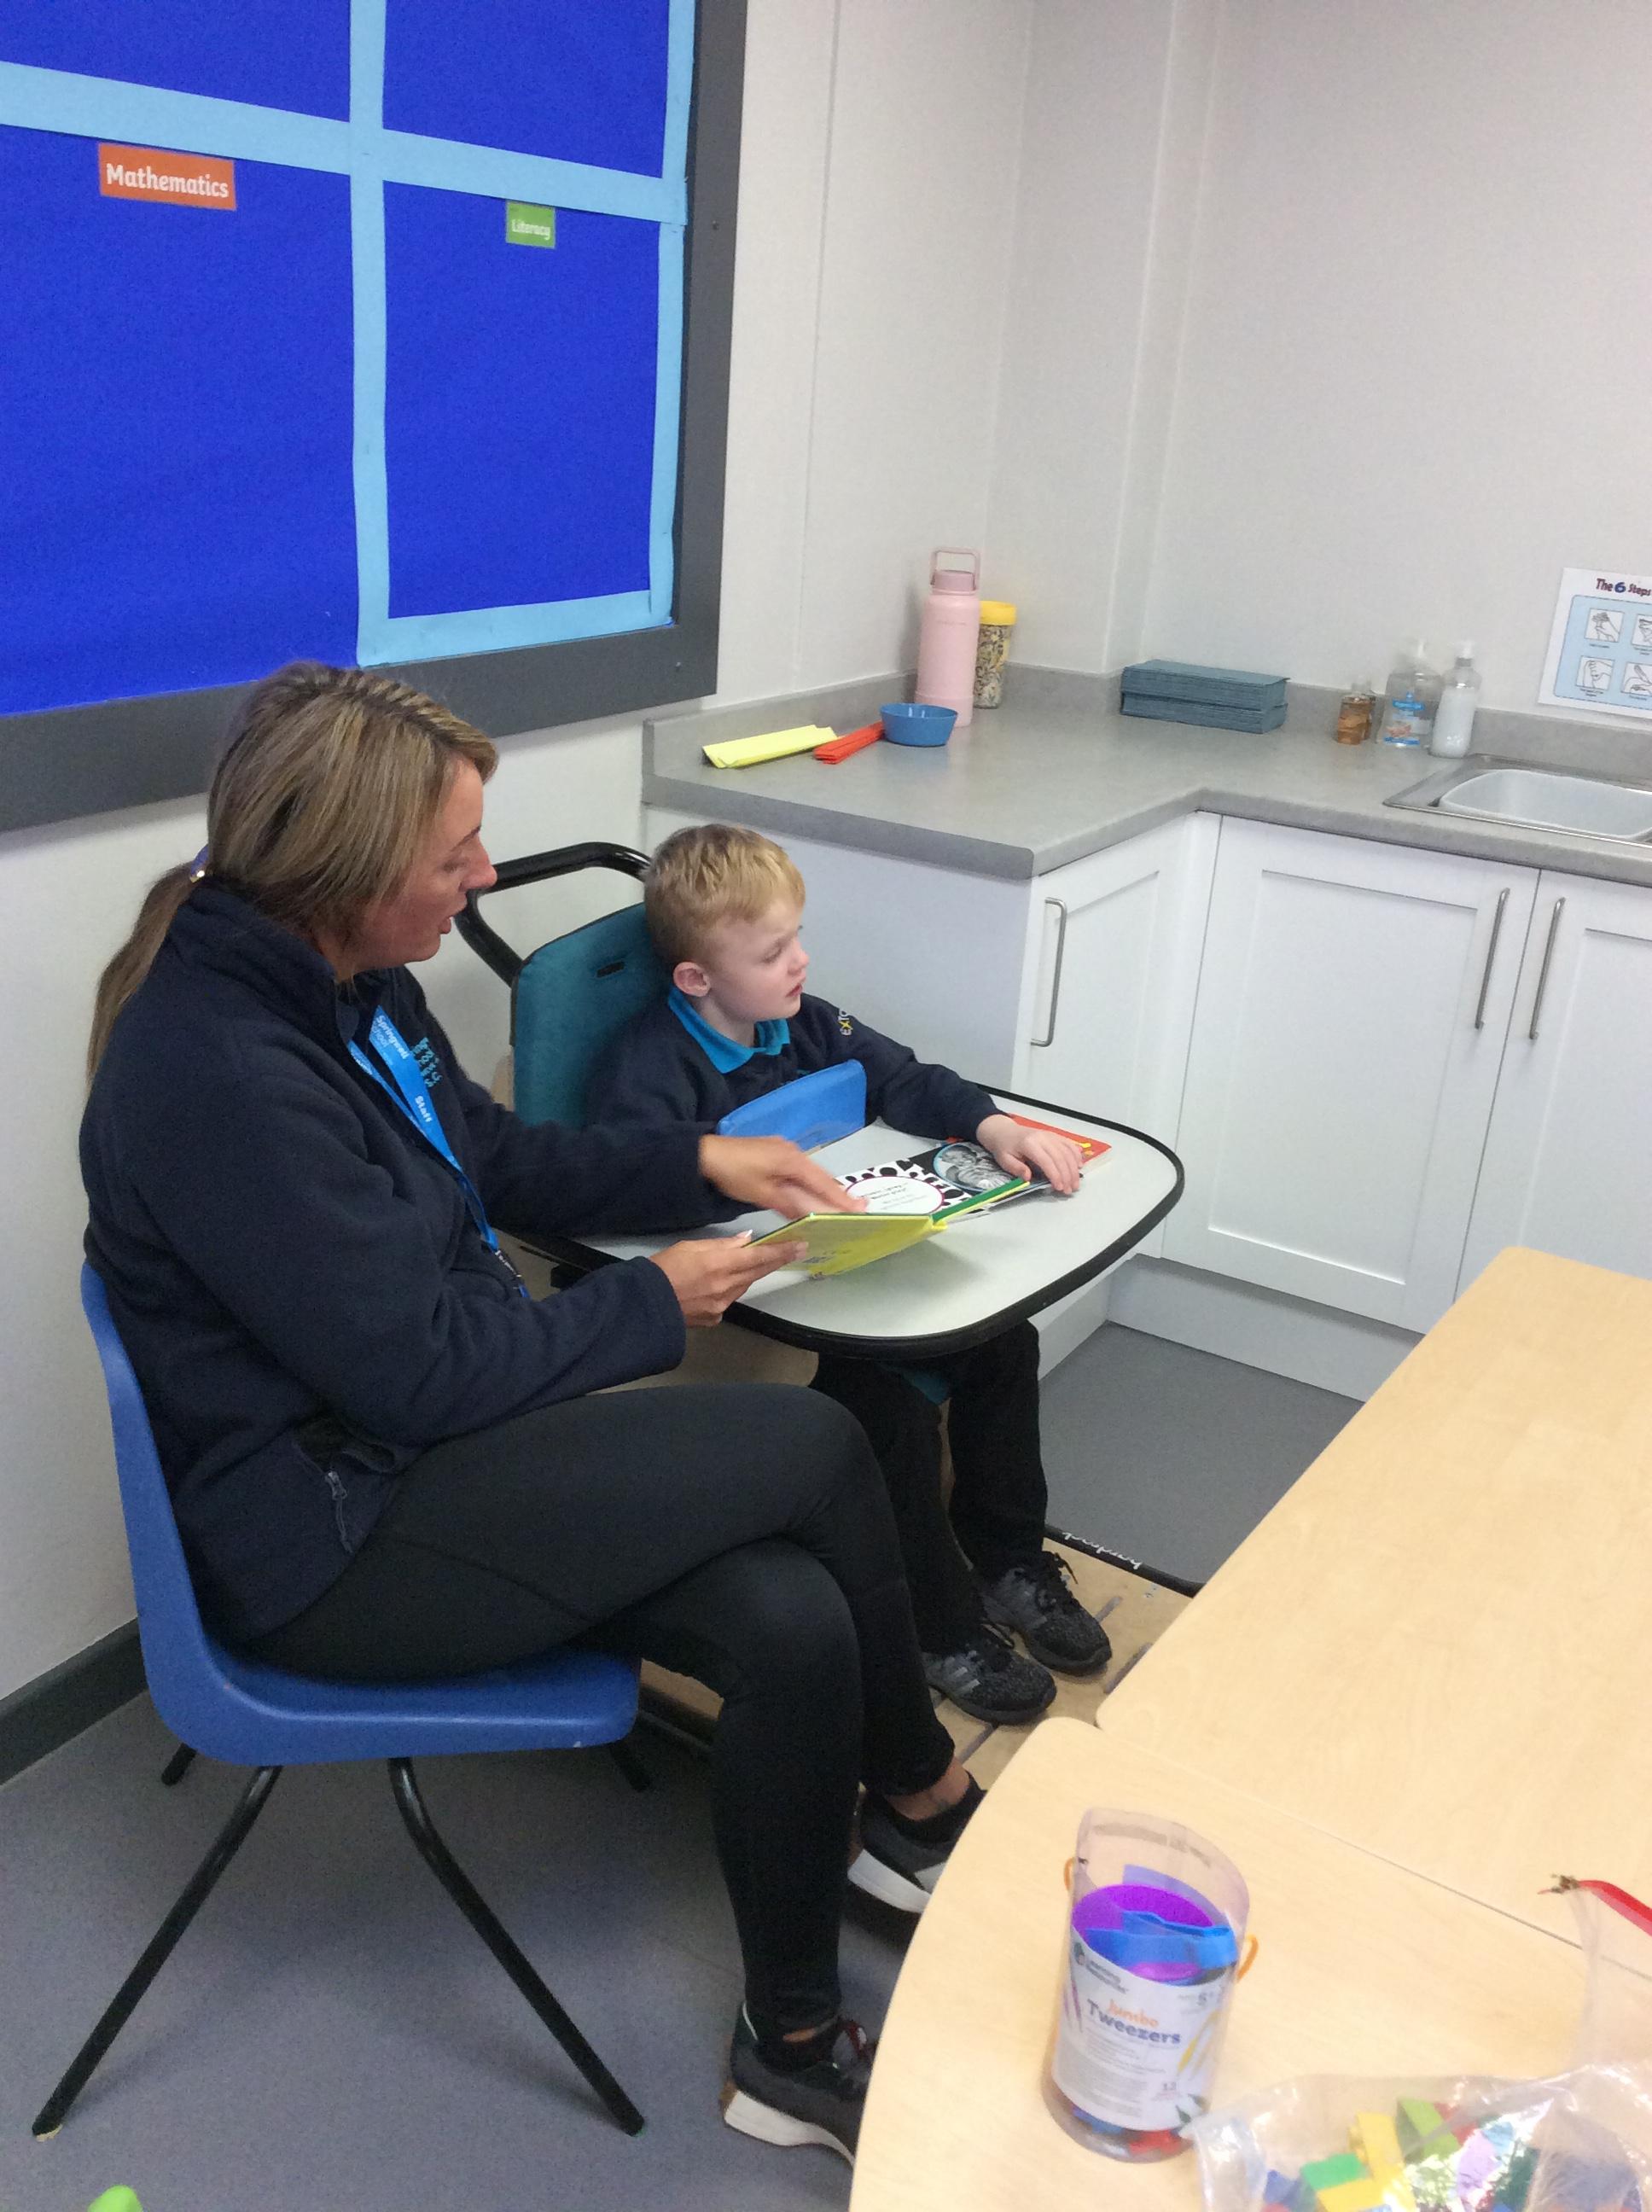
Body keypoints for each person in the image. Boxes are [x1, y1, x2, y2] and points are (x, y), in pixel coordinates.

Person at [80, 662, 985, 2168]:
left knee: (787, 1615)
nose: (485, 876)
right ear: (350, 868)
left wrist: (701, 1159)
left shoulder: (344, 985)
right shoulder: (224, 1073)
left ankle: (791, 2044)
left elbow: (490, 1158)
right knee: (822, 1441)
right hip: (334, 1543)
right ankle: (921, 1799)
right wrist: (657, 1299)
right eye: (456, 855)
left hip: (421, 1453)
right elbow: (421, 1374)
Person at [585, 824, 1114, 1726]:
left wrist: (994, 1127)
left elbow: (903, 1076)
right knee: (884, 1411)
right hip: (752, 1309)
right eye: (772, 952)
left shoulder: (804, 1021)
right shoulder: (647, 1072)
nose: (800, 961)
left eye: (796, 937)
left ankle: (1007, 1562)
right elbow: (626, 1195)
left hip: (847, 1269)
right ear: (697, 980)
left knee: (1004, 1343)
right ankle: (938, 1629)